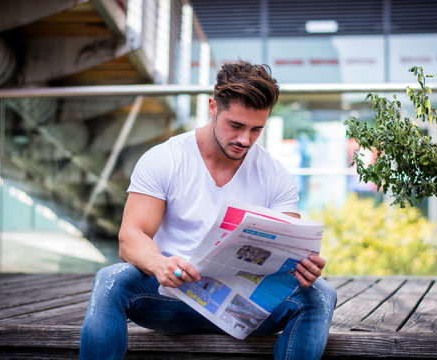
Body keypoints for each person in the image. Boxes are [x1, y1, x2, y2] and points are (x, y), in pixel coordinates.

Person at [80, 60, 337, 360]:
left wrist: (302, 267)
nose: (245, 140)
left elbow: (288, 250)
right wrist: (159, 264)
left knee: (321, 294)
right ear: (213, 108)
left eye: (256, 129)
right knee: (111, 280)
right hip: (172, 299)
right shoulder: (165, 159)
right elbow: (130, 237)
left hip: (245, 308)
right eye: (236, 126)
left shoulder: (275, 175)